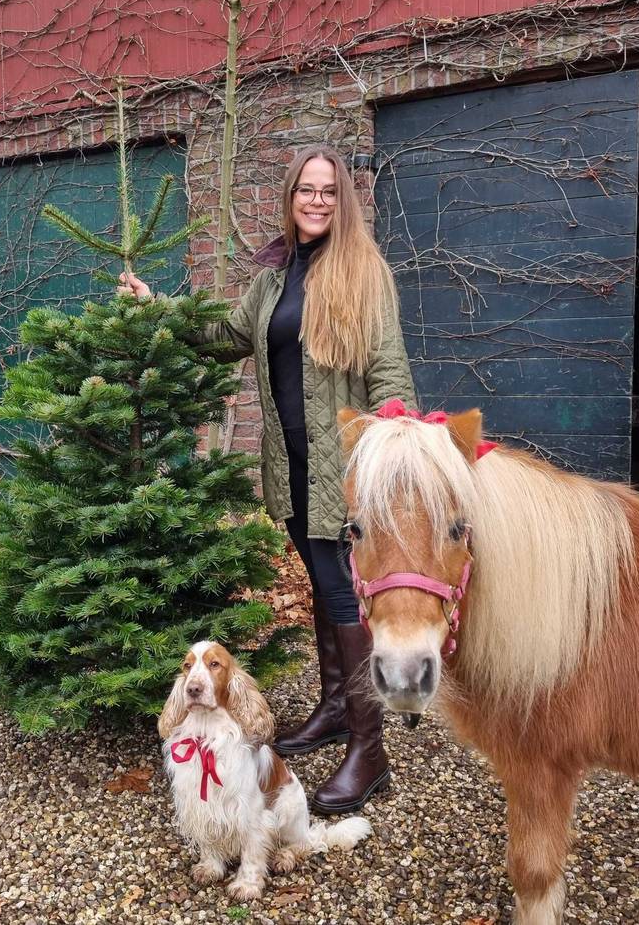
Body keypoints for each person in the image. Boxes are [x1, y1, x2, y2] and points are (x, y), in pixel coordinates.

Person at [118, 144, 416, 814]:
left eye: (328, 191)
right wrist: (155, 307)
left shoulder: (365, 274)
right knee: (321, 587)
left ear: (343, 202)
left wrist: (392, 443)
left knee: (345, 599)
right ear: (290, 198)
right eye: (305, 190)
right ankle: (339, 707)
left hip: (344, 469)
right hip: (290, 463)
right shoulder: (274, 278)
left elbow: (390, 371)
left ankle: (370, 752)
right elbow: (227, 337)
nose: (316, 200)